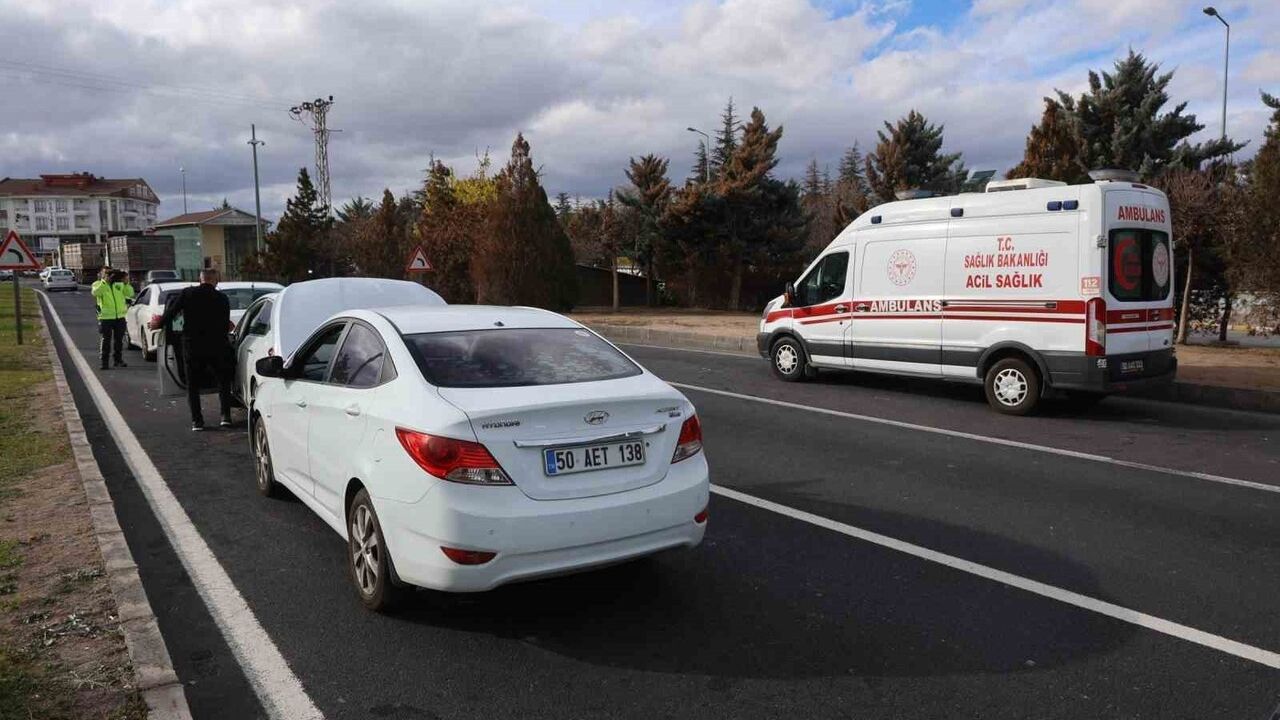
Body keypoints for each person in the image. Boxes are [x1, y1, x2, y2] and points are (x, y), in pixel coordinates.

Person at [150, 268, 234, 431]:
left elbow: (171, 313)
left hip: (192, 346)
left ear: (200, 279)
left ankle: (197, 421)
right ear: (215, 280)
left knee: (192, 385)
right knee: (223, 381)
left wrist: (157, 324)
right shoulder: (222, 298)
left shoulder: (187, 294)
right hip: (218, 345)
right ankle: (225, 417)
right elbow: (226, 324)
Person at [91, 267, 134, 370]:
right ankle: (104, 362)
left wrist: (126, 283)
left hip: (120, 317)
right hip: (105, 317)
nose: (110, 276)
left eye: (110, 273)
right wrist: (105, 282)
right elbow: (95, 293)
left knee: (119, 340)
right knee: (106, 340)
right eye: (106, 273)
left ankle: (118, 360)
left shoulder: (118, 284)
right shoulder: (98, 284)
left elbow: (129, 293)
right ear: (102, 274)